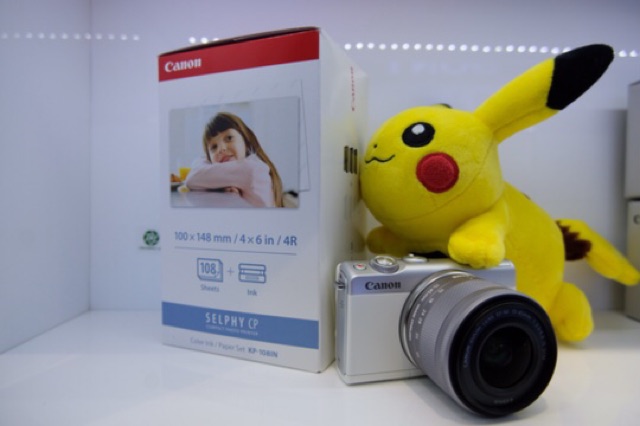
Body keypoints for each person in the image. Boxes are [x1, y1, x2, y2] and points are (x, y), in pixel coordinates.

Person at [184, 112, 284, 208]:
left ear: (246, 142)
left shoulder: (252, 169)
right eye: (214, 147)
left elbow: (192, 178)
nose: (221, 149)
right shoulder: (234, 174)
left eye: (229, 138)